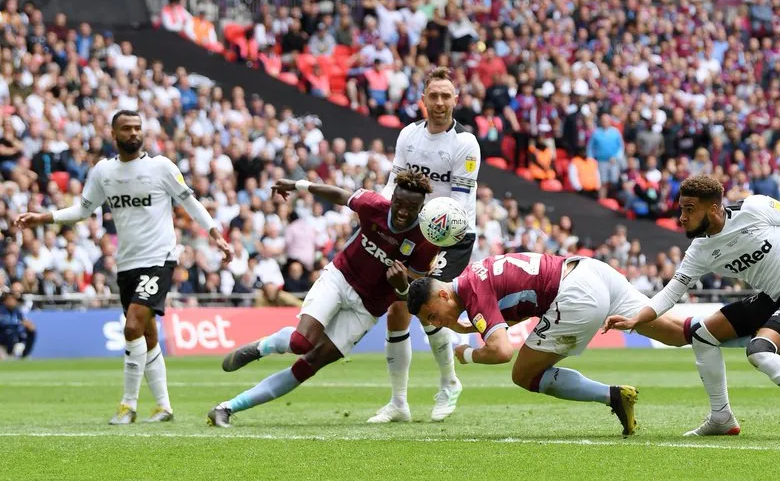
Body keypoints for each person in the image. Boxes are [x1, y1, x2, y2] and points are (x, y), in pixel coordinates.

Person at [602, 175, 780, 440]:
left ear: (713, 208)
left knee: (759, 351)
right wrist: (636, 319)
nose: (682, 217)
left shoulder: (754, 208)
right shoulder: (699, 251)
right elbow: (670, 293)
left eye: (689, 209)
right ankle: (721, 417)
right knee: (701, 335)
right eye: (681, 209)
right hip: (771, 299)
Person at [15, 110, 233, 424]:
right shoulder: (104, 171)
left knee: (132, 327)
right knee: (148, 334)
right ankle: (164, 407)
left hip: (159, 259)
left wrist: (217, 236)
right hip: (126, 263)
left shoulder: (161, 167)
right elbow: (82, 211)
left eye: (137, 127)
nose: (133, 133)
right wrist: (42, 218)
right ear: (113, 134)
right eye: (126, 128)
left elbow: (191, 203)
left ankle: (127, 405)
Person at [207, 170, 440, 427]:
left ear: (421, 209)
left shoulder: (425, 240)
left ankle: (226, 408)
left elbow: (411, 291)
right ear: (392, 198)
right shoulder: (374, 205)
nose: (403, 212)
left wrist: (402, 286)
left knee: (310, 364)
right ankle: (261, 347)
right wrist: (298, 184)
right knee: (300, 342)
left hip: (368, 308)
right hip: (339, 278)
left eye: (412, 208)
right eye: (400, 204)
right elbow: (339, 195)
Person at [405, 252, 689, 437]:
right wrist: (465, 327)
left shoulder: (472, 292)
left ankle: (613, 396)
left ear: (443, 295)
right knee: (677, 333)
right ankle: (715, 329)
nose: (436, 323)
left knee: (523, 374)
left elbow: (501, 351)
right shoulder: (474, 275)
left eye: (432, 316)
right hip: (589, 269)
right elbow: (517, 305)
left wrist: (467, 354)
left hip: (574, 295)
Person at [368, 66, 482, 424]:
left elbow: (460, 204)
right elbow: (393, 186)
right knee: (397, 309)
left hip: (452, 236)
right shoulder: (408, 136)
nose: (440, 102)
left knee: (431, 306)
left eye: (446, 96)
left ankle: (449, 383)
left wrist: (431, 240)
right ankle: (398, 403)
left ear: (456, 100)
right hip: (413, 234)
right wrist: (380, 217)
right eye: (434, 95)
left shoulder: (465, 143)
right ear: (423, 99)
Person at [0, 289, 36, 360]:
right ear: (5, 301)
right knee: (10, 332)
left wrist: (28, 324)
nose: (12, 301)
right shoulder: (1, 310)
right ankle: (9, 354)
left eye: (14, 299)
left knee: (31, 331)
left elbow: (23, 320)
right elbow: (3, 323)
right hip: (3, 335)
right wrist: (18, 323)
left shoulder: (17, 311)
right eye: (10, 299)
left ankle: (24, 355)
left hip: (15, 333)